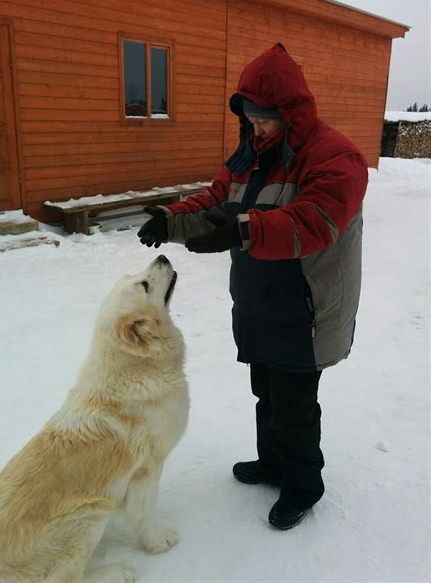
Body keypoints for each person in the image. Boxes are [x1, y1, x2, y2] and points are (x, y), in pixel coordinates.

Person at [137, 43, 368, 530]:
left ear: (290, 112)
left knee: (294, 406)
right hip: (260, 303)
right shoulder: (250, 156)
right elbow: (218, 200)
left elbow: (317, 219)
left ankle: (303, 485)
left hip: (305, 309)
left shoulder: (335, 156)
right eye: (250, 118)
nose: (256, 128)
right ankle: (272, 465)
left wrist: (244, 230)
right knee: (265, 392)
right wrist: (170, 220)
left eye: (265, 119)